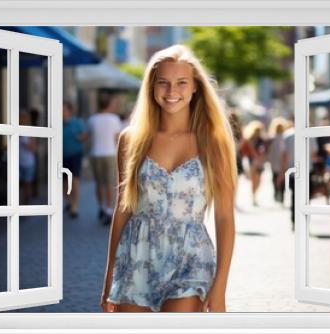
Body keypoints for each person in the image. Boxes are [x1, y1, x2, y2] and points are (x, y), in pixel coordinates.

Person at [100, 45, 236, 313]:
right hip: (136, 258)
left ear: (195, 87)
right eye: (163, 83)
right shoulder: (131, 139)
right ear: (151, 87)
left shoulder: (213, 142)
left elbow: (224, 217)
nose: (172, 92)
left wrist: (220, 287)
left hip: (191, 260)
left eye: (181, 83)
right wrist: (109, 279)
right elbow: (123, 208)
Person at [87, 92, 123, 224]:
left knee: (99, 183)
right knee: (109, 183)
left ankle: (101, 207)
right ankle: (108, 209)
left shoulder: (92, 119)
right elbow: (117, 138)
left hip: (95, 153)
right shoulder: (114, 119)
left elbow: (86, 136)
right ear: (109, 105)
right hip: (110, 153)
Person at [62, 101, 88, 218]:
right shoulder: (57, 123)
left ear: (69, 110)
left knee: (75, 180)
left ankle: (74, 207)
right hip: (61, 155)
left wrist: (79, 137)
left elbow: (85, 135)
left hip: (75, 155)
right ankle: (68, 201)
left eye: (63, 109)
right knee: (64, 183)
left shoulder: (77, 123)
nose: (61, 112)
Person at [239, 120, 267, 207]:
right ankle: (253, 197)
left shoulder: (261, 140)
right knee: (254, 180)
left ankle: (254, 194)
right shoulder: (249, 140)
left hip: (260, 162)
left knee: (259, 180)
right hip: (252, 162)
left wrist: (261, 158)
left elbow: (264, 151)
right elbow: (243, 151)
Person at [19, 111, 37, 205]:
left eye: (23, 118)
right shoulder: (16, 130)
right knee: (17, 184)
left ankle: (26, 204)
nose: (21, 120)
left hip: (28, 162)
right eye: (20, 118)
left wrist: (23, 142)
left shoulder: (30, 131)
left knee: (27, 184)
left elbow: (33, 148)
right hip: (17, 162)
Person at [267, 117, 287, 203]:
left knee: (274, 177)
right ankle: (281, 195)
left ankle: (276, 193)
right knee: (282, 178)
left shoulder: (271, 138)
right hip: (282, 161)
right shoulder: (285, 137)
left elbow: (269, 151)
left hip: (274, 161)